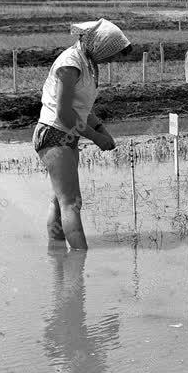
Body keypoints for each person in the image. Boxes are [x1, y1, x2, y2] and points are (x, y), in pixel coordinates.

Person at [33, 18, 132, 249]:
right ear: (99, 46)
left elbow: (81, 109)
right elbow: (65, 113)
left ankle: (57, 257)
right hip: (54, 133)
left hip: (65, 135)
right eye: (111, 54)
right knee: (71, 203)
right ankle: (80, 261)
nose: (111, 60)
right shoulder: (70, 64)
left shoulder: (87, 62)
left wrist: (100, 129)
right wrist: (96, 138)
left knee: (60, 201)